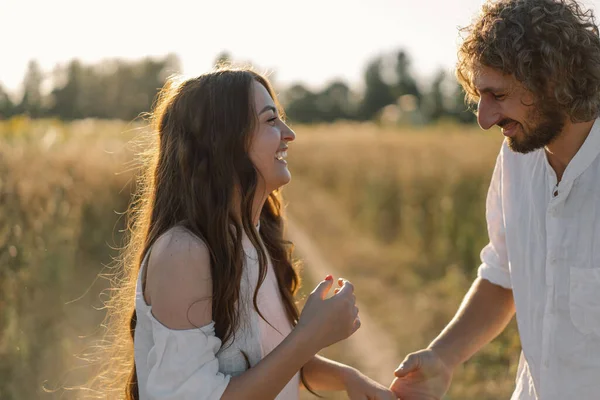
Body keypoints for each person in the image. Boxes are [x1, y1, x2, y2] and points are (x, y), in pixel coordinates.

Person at [97, 66, 396, 400]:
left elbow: (267, 362)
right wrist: (309, 336)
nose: (289, 133)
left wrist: (348, 377)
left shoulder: (254, 237)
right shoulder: (182, 253)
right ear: (223, 139)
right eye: (271, 121)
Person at [389, 0, 600, 399]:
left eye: (497, 95)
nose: (484, 119)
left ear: (553, 82)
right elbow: (504, 274)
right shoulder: (517, 157)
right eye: (479, 96)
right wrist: (443, 357)